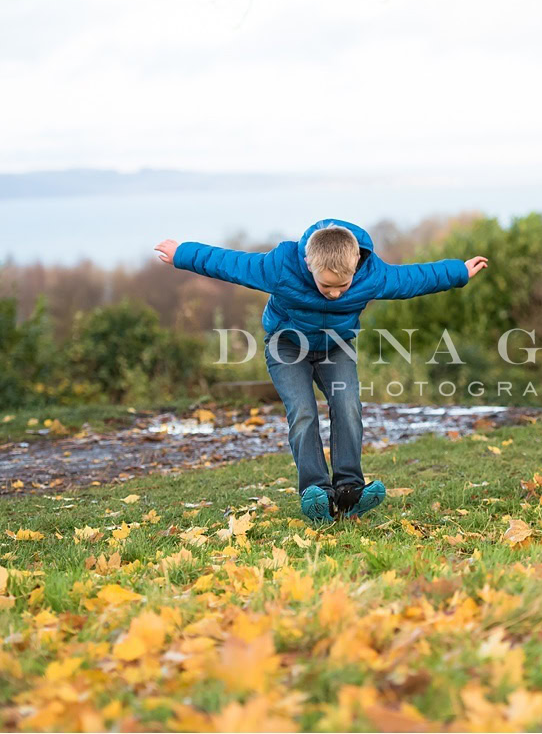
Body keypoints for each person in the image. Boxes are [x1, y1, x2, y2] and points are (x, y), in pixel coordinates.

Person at [156, 219, 488, 522]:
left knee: (347, 406)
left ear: (355, 265)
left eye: (342, 286)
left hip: (336, 347)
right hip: (287, 347)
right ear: (309, 265)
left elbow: (414, 278)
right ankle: (316, 491)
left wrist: (459, 271)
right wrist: (181, 254)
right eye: (325, 286)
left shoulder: (370, 274)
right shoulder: (281, 266)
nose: (334, 293)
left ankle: (350, 490)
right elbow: (229, 263)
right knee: (303, 413)